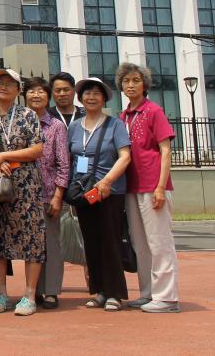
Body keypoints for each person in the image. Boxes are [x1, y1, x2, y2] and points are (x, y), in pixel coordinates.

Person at [0, 69, 46, 316]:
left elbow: (37, 149)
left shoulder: (28, 115)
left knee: (31, 236)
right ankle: (1, 294)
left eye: (9, 83)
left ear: (18, 91)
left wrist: (4, 156)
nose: (3, 86)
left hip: (26, 183)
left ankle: (29, 295)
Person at [117, 62, 180, 313]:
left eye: (136, 80)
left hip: (153, 185)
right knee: (140, 244)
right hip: (131, 187)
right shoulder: (123, 116)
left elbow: (165, 150)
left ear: (145, 85)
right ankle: (148, 293)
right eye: (126, 81)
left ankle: (167, 298)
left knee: (159, 242)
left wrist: (161, 187)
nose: (131, 85)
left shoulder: (154, 111)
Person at [68, 77, 131, 311]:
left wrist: (107, 181)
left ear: (104, 98)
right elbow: (71, 158)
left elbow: (125, 156)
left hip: (108, 192)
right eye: (87, 93)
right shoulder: (75, 127)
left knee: (110, 241)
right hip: (84, 194)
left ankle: (115, 293)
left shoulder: (115, 125)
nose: (91, 97)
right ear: (80, 98)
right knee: (91, 243)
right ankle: (100, 291)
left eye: (96, 93)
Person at [21, 76, 69, 310]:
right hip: (22, 194)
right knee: (30, 245)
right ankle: (35, 290)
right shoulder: (19, 122)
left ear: (48, 97)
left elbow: (63, 164)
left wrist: (58, 195)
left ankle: (50, 291)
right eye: (31, 91)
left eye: (41, 91)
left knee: (50, 243)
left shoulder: (56, 126)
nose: (36, 95)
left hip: (48, 193)